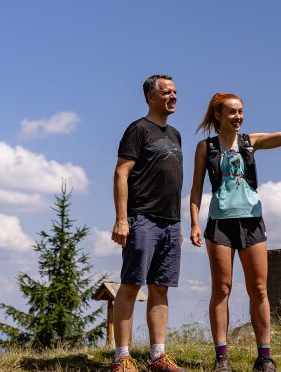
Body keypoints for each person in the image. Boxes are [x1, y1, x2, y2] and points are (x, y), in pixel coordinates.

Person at [190, 79, 281, 372]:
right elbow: (196, 189)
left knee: (259, 288)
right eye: (232, 112)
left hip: (252, 222)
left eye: (241, 112)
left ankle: (264, 356)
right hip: (219, 224)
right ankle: (222, 356)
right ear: (218, 116)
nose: (238, 117)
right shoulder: (205, 147)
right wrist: (194, 224)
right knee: (221, 288)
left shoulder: (251, 141)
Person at [110, 74, 186, 372]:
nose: (173, 96)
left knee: (161, 288)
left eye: (176, 92)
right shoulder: (138, 130)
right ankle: (123, 358)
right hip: (141, 218)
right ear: (150, 97)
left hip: (169, 223)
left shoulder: (176, 134)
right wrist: (121, 219)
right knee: (131, 285)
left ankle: (158, 356)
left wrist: (177, 224)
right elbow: (121, 173)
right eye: (167, 92)